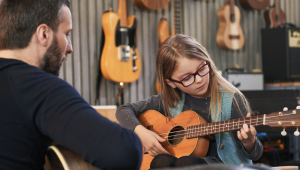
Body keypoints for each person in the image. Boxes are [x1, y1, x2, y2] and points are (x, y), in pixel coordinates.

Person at [0, 0, 142, 169]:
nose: (70, 48)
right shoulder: (37, 87)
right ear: (44, 34)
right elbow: (125, 151)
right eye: (66, 34)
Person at [116, 34, 263, 168]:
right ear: (171, 83)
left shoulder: (230, 100)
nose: (199, 79)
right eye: (187, 78)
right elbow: (123, 110)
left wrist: (249, 142)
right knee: (161, 161)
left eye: (202, 68)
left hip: (224, 165)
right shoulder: (171, 100)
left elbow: (255, 155)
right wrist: (142, 132)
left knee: (186, 163)